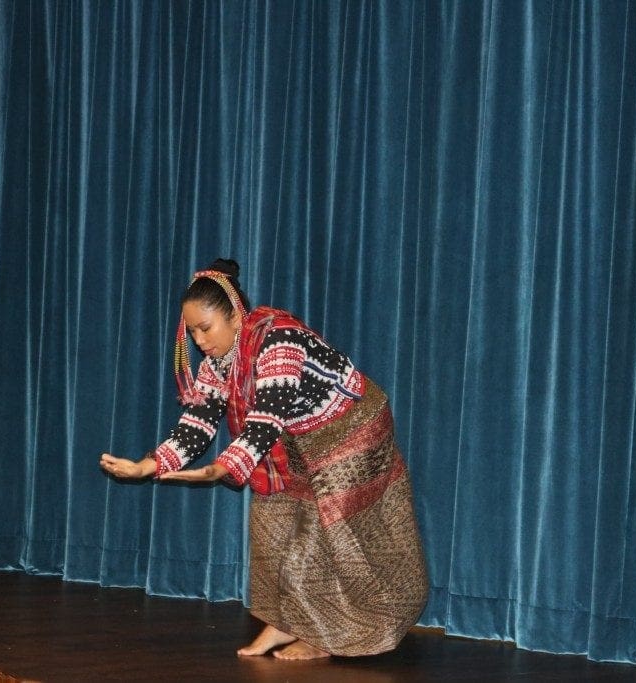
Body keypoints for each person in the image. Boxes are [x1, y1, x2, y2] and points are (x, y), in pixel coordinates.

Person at [99, 258, 428, 660]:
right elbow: (198, 420)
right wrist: (146, 465)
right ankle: (285, 621)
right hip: (301, 439)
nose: (200, 341)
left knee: (331, 529)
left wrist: (222, 468)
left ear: (235, 315)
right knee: (273, 519)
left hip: (353, 427)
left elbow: (263, 422)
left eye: (206, 328)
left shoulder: (279, 341)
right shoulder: (220, 360)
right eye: (193, 333)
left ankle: (324, 636)